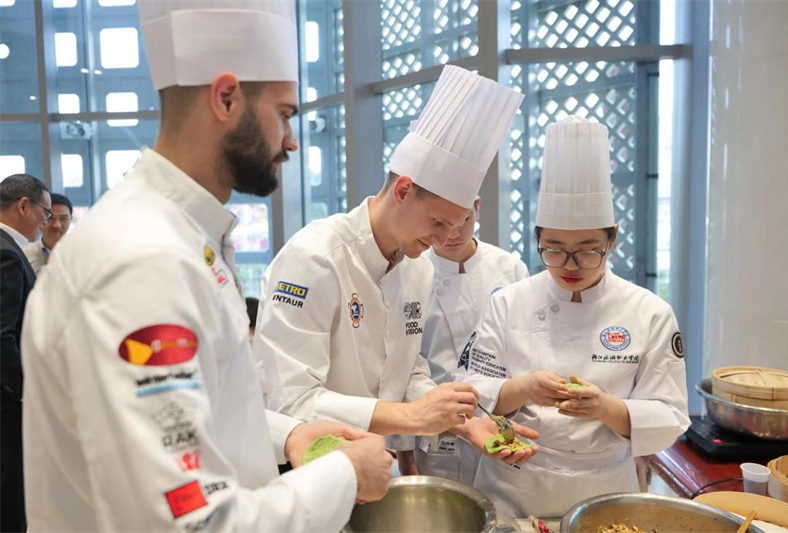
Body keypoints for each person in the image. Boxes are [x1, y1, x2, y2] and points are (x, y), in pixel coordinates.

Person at [21, 1, 392, 531]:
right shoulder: (143, 260)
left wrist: (287, 436)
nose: (291, 140)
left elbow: (190, 412)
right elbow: (191, 522)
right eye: (284, 114)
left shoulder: (182, 236)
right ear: (225, 98)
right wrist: (344, 475)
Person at [255, 65, 537, 475]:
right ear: (403, 190)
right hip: (298, 468)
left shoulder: (416, 269)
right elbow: (292, 401)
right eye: (438, 223)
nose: (444, 240)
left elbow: (407, 372)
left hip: (366, 461)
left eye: (458, 225)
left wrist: (464, 422)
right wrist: (410, 417)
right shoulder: (314, 258)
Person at [460, 115, 689, 520]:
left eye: (587, 249)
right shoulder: (508, 302)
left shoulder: (650, 312)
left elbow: (669, 415)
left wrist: (604, 407)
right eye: (553, 249)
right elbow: (472, 391)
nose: (570, 265)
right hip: (513, 483)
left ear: (612, 238)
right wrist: (525, 388)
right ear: (537, 239)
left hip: (603, 488)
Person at [414, 196, 529, 484]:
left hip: (503, 421)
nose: (452, 233)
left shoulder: (511, 268)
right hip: (438, 429)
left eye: (463, 220)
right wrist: (403, 447)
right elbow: (400, 368)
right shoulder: (411, 271)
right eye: (440, 223)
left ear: (478, 207)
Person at [0, 174, 51, 533]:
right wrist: (24, 391)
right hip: (6, 404)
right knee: (11, 499)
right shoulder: (6, 253)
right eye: (45, 214)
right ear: (23, 206)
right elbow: (2, 334)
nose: (46, 224)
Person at [24, 193, 73, 275]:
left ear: (71, 219)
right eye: (50, 218)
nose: (56, 225)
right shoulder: (26, 254)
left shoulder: (82, 252)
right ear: (39, 218)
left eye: (63, 219)